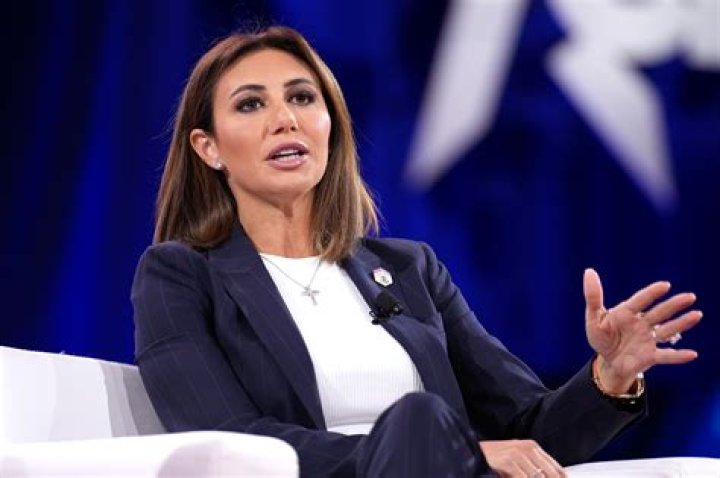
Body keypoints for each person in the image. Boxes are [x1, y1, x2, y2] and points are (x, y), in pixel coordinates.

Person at [131, 26, 702, 478]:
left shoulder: (409, 268)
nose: (285, 119)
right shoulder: (179, 275)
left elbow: (531, 432)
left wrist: (608, 375)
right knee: (422, 419)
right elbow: (228, 439)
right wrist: (450, 453)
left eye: (302, 97)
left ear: (330, 125)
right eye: (250, 105)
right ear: (208, 148)